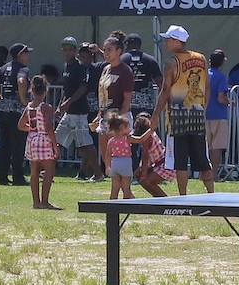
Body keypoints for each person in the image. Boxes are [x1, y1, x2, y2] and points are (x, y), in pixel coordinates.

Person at [156, 24, 215, 194]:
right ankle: (211, 194)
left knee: (180, 162)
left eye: (168, 40)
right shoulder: (201, 59)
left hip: (177, 118)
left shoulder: (171, 63)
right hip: (197, 116)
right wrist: (203, 109)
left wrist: (155, 115)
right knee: (203, 161)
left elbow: (165, 91)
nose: (166, 43)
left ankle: (183, 195)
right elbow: (207, 87)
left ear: (177, 41)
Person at [56, 37, 100, 181]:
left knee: (85, 144)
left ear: (75, 51)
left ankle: (98, 173)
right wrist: (60, 106)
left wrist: (68, 103)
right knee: (56, 139)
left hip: (80, 112)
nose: (67, 52)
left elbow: (82, 88)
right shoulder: (66, 66)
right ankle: (48, 169)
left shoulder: (79, 67)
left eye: (70, 50)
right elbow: (66, 89)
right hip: (69, 112)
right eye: (65, 49)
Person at [0, 42, 31, 186]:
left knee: (4, 144)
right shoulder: (23, 68)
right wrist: (23, 98)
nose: (27, 55)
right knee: (18, 144)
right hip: (16, 110)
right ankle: (18, 177)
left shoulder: (5, 67)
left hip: (3, 108)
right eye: (26, 53)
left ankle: (1, 176)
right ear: (20, 54)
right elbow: (21, 81)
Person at [18, 74, 61, 210]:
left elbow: (20, 125)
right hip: (43, 138)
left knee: (34, 171)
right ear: (45, 91)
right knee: (49, 170)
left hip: (32, 138)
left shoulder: (29, 107)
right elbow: (48, 127)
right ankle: (45, 201)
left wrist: (31, 128)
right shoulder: (46, 107)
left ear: (32, 91)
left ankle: (36, 202)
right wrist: (55, 145)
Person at [95, 35, 135, 175]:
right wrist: (99, 115)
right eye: (105, 49)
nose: (106, 53)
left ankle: (124, 178)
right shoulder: (105, 69)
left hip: (119, 116)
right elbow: (102, 94)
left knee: (119, 150)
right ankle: (111, 176)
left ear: (119, 51)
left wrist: (121, 120)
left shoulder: (125, 70)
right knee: (105, 149)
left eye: (110, 50)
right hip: (105, 115)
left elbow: (127, 98)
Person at [129, 111, 172, 197]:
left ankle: (164, 199)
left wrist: (144, 174)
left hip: (165, 165)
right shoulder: (151, 134)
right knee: (141, 178)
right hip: (160, 164)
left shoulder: (147, 139)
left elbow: (145, 157)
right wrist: (140, 169)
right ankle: (158, 198)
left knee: (147, 181)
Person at [205, 50, 232, 177]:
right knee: (217, 147)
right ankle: (214, 174)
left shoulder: (204, 75)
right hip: (219, 115)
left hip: (205, 114)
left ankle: (204, 173)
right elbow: (221, 98)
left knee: (207, 147)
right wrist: (230, 102)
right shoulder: (221, 77)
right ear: (222, 63)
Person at [124, 34, 163, 117]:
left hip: (127, 107)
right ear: (140, 45)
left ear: (127, 45)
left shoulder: (122, 60)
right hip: (147, 106)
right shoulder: (151, 60)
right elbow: (160, 83)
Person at [102, 111, 136, 200]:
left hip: (115, 163)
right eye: (128, 127)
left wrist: (107, 166)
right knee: (126, 188)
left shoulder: (111, 141)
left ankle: (112, 205)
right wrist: (150, 131)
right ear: (123, 128)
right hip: (125, 162)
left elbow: (108, 155)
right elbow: (140, 139)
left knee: (114, 188)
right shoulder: (127, 138)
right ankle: (127, 204)